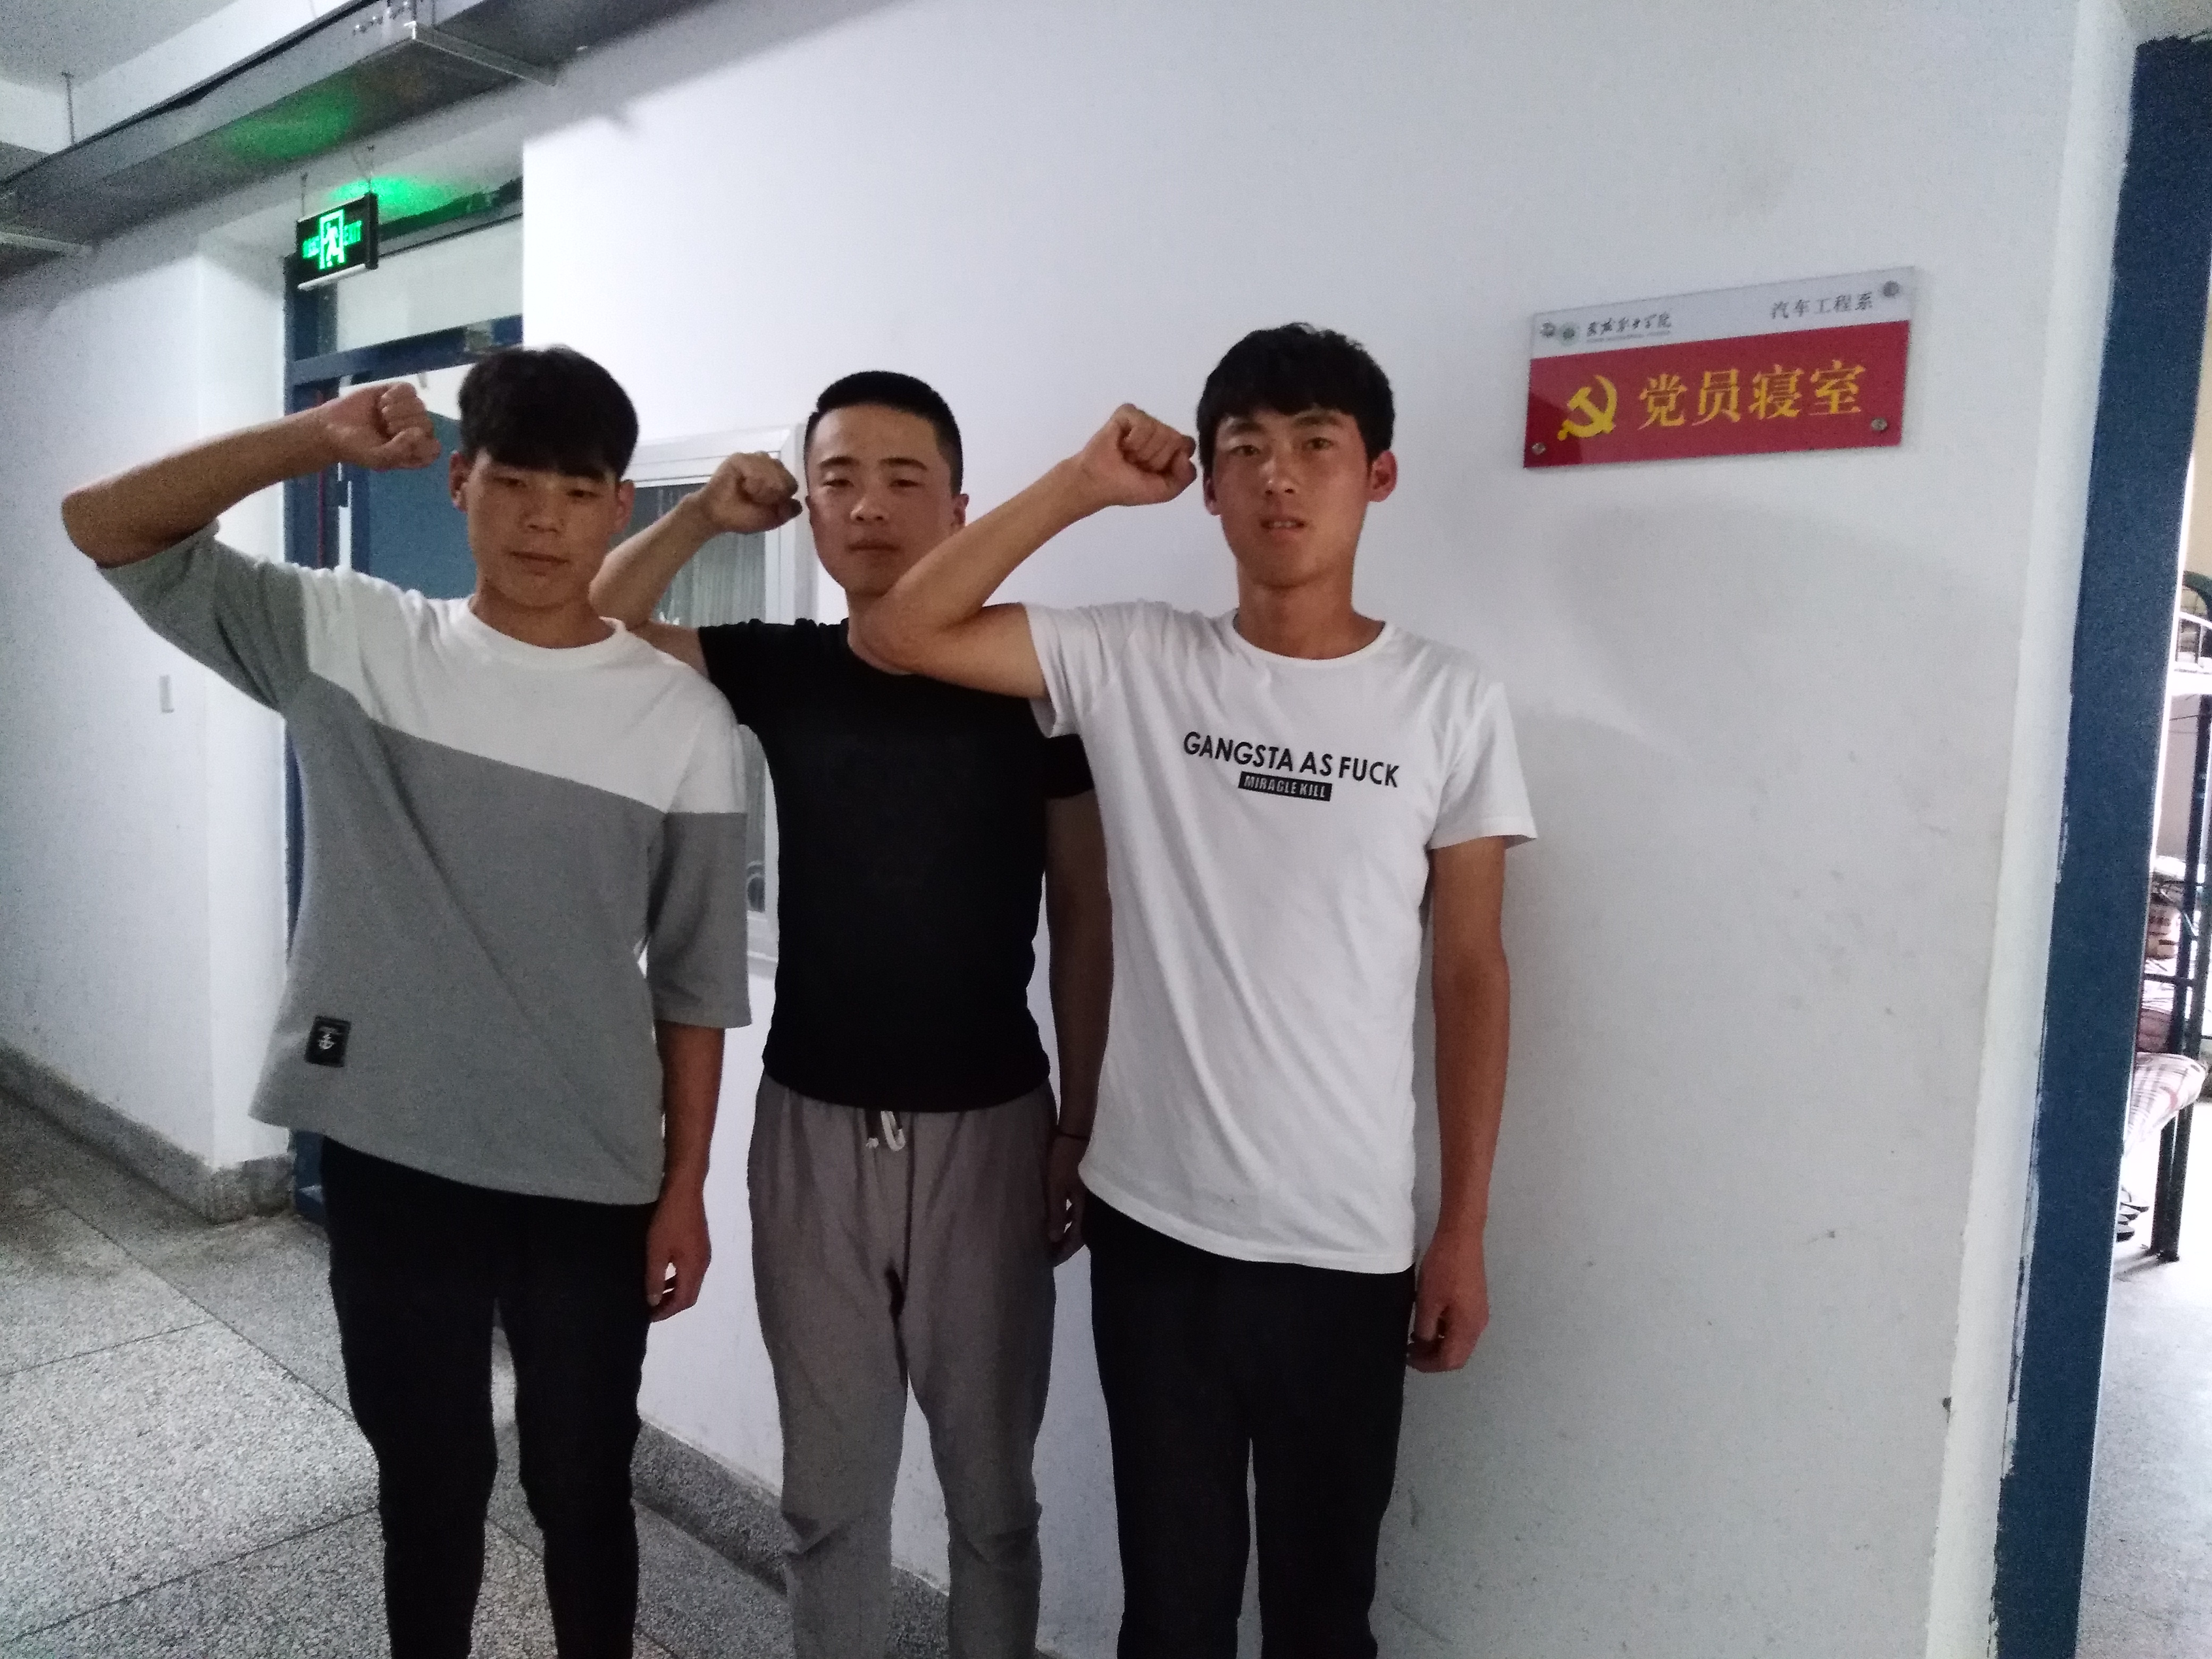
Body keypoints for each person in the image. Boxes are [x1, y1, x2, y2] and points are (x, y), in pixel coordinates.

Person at [60, 347, 752, 1659]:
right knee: (428, 1486)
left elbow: (699, 979)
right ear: (458, 483)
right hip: (397, 1153)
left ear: (618, 507)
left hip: (592, 1172)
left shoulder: (682, 720)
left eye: (578, 491)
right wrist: (312, 436)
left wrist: (686, 1188)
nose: (543, 520)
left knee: (583, 1488)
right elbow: (105, 526)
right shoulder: (355, 637)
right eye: (514, 483)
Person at [857, 324, 1535, 1658]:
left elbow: (1470, 969)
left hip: (1346, 1243)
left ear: (1377, 476)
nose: (1280, 478)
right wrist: (1080, 482)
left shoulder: (1448, 700)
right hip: (1156, 1230)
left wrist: (1461, 1226)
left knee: (1322, 1617)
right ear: (1210, 488)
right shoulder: (1138, 661)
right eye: (1247, 451)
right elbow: (899, 631)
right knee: (1171, 1613)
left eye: (1316, 448)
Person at [588, 370, 1112, 1659]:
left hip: (993, 1129)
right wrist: (699, 517)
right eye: (838, 480)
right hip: (811, 1128)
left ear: (960, 506)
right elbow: (597, 623)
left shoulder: (1036, 682)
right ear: (810, 511)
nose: (867, 505)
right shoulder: (788, 667)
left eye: (902, 478)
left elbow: (1087, 914)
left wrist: (1077, 1126)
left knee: (994, 1506)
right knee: (828, 1505)